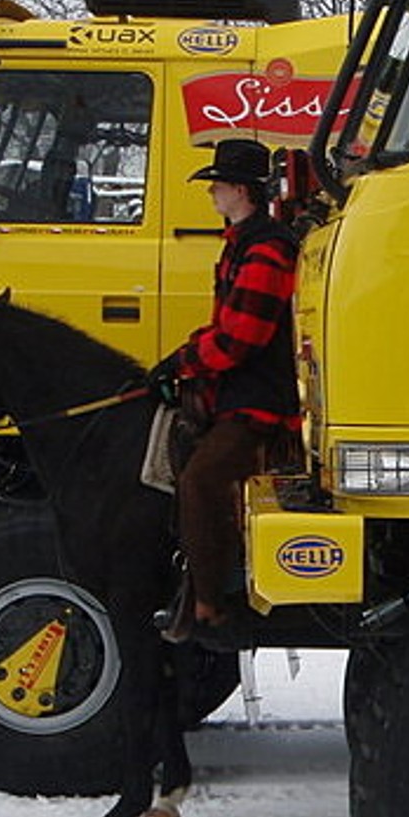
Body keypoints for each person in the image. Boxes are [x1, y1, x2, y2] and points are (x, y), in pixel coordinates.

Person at [148, 137, 301, 645]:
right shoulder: (246, 244)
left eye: (217, 185)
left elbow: (240, 339)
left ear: (241, 190)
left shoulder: (266, 250)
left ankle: (212, 605)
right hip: (241, 394)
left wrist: (184, 363)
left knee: (200, 482)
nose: (211, 193)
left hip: (260, 404)